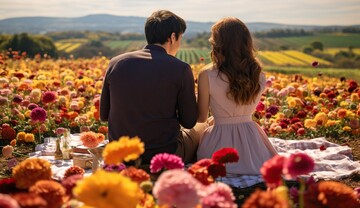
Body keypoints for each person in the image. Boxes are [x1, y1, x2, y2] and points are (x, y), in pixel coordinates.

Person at [100, 10, 206, 164]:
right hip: (163, 156)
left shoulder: (116, 63)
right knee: (202, 127)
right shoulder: (179, 69)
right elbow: (189, 122)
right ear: (172, 37)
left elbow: (104, 115)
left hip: (121, 154)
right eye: (180, 38)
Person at [196, 17, 278, 174]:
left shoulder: (207, 74)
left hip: (218, 145)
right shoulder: (258, 73)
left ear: (219, 44)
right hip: (253, 143)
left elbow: (201, 118)